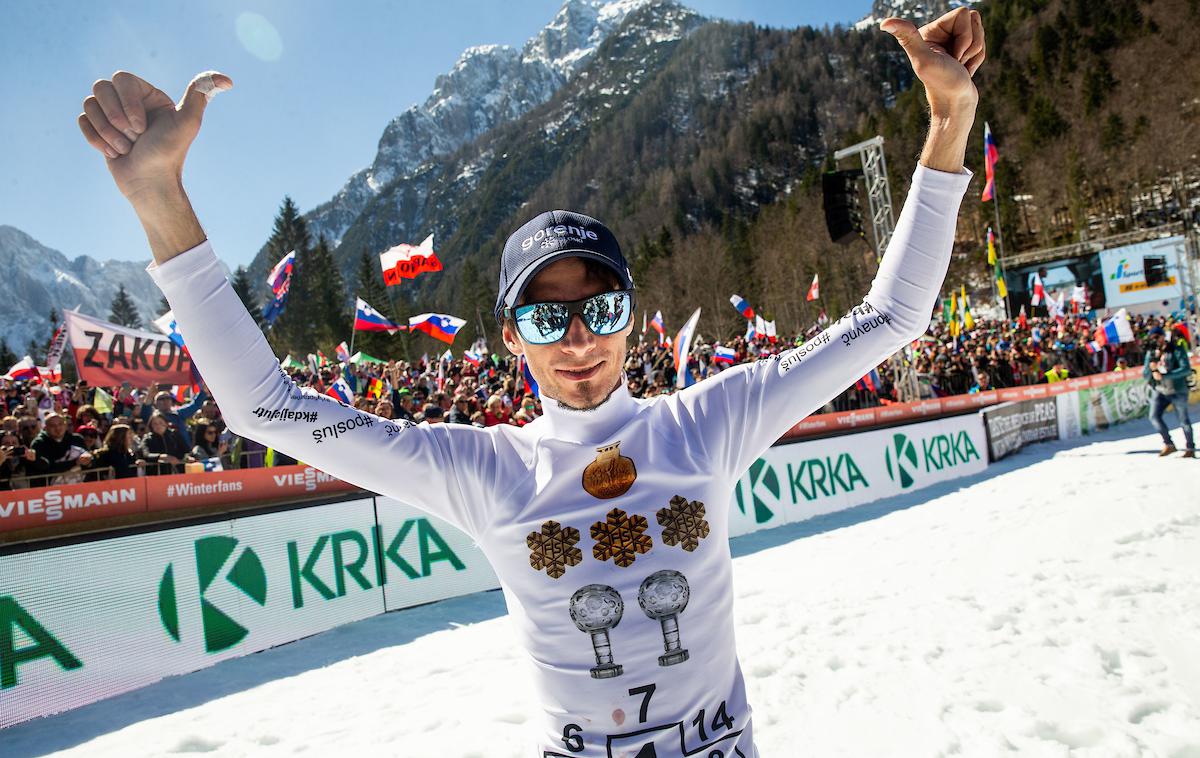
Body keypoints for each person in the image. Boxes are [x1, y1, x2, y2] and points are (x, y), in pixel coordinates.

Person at [79, 9, 981, 754]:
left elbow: (890, 319)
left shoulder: (708, 424)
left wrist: (946, 125)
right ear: (513, 337)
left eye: (602, 307)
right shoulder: (488, 470)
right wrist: (161, 198)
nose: (580, 338)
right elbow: (266, 407)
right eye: (549, 317)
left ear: (633, 311)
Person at [1143, 326, 1195, 457]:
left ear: (1162, 336)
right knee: (1154, 416)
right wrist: (1151, 367)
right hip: (1161, 390)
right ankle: (1168, 444)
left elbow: (1186, 369)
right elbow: (1145, 373)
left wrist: (1166, 375)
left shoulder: (1176, 349)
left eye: (1157, 337)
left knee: (1183, 420)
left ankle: (1190, 448)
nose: (1155, 341)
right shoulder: (1152, 353)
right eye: (1152, 338)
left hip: (1178, 390)